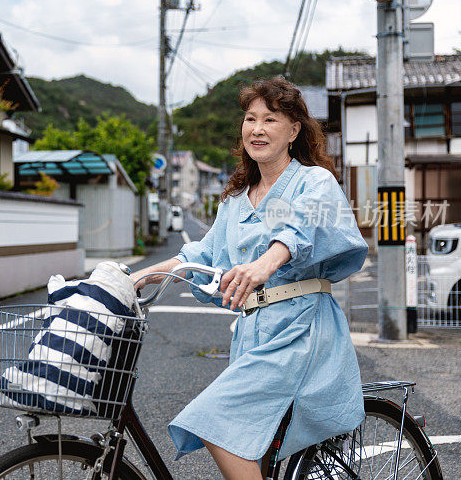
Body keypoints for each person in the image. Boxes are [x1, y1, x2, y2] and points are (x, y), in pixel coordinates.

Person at [131, 77, 368, 479]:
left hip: (301, 328)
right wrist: (137, 277)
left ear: (293, 131)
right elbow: (202, 256)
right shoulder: (236, 199)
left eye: (270, 119)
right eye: (250, 118)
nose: (256, 129)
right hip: (252, 332)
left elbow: (306, 225)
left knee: (216, 424)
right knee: (250, 450)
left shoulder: (314, 182)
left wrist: (268, 261)